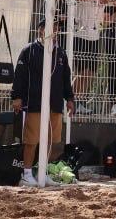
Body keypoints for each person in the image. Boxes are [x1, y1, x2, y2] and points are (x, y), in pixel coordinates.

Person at [11, 18, 74, 186]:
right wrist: (16, 96)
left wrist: (70, 98)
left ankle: (42, 172)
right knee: (31, 140)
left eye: (57, 27)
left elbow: (66, 78)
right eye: (52, 26)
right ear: (41, 30)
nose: (55, 30)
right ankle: (26, 173)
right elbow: (20, 75)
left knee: (50, 140)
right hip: (35, 103)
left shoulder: (60, 53)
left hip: (54, 104)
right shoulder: (29, 50)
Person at [69, 0, 106, 114]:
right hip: (81, 36)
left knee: (90, 73)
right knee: (82, 72)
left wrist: (109, 0)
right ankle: (72, 100)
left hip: (95, 38)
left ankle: (81, 102)